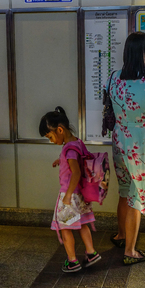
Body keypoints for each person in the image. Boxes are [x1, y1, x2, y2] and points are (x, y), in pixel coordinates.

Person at [106, 32, 145, 265]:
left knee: (124, 190)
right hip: (140, 142)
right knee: (136, 196)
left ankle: (121, 235)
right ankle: (130, 251)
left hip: (119, 137)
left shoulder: (113, 78)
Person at [39, 106, 101, 273]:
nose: (51, 141)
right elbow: (79, 159)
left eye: (50, 136)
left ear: (60, 130)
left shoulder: (68, 148)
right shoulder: (77, 143)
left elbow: (76, 172)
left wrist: (66, 197)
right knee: (82, 224)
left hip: (70, 194)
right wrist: (60, 160)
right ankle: (91, 252)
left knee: (65, 228)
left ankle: (72, 261)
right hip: (81, 195)